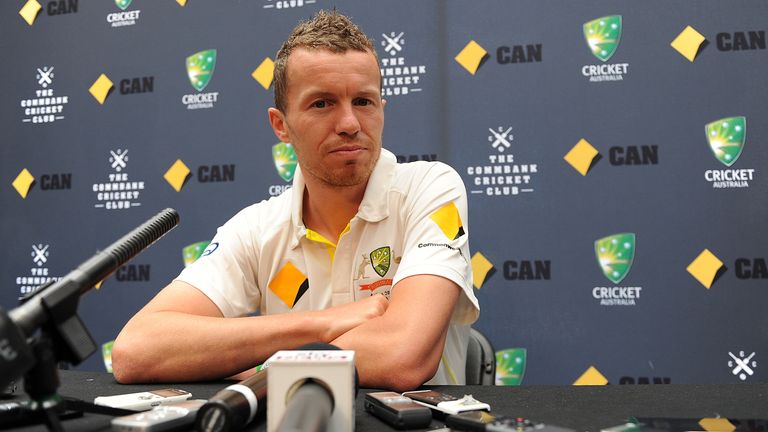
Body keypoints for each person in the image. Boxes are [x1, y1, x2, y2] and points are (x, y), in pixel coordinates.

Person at [111, 10, 479, 391]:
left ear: (382, 108)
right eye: (322, 104)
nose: (350, 123)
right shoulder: (257, 227)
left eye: (364, 101)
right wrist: (321, 323)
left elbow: (401, 357)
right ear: (280, 125)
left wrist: (254, 366)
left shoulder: (430, 189)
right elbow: (136, 349)